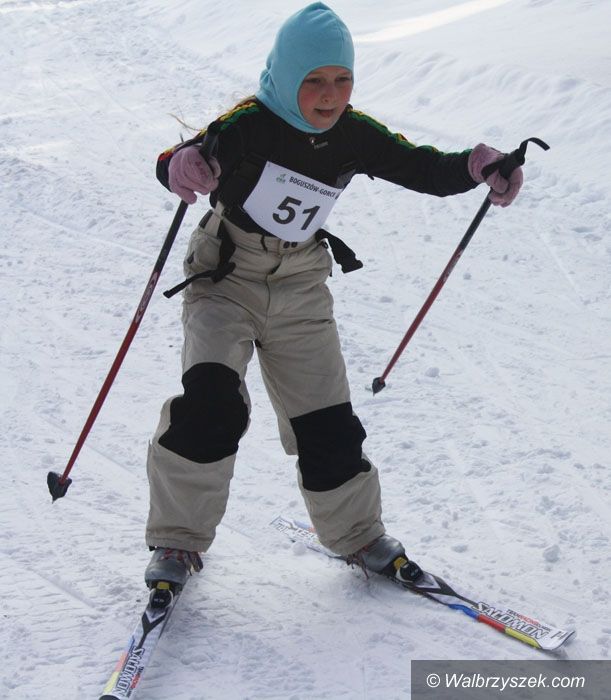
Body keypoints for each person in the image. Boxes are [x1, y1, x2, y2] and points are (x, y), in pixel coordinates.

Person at [144, 2, 523, 590]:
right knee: (211, 405)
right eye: (314, 80)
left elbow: (421, 167)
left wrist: (479, 167)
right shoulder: (248, 123)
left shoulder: (352, 132)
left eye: (342, 79)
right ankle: (177, 540)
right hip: (226, 276)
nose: (330, 95)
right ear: (285, 77)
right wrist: (182, 165)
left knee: (326, 419)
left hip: (300, 281)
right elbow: (181, 159)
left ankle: (358, 534)